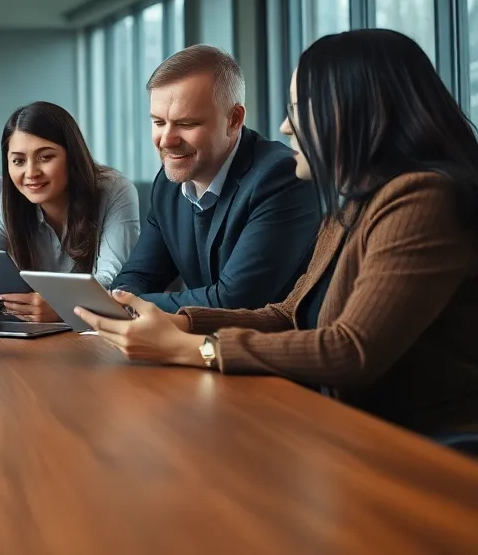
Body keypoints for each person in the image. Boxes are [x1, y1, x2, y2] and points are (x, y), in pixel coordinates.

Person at [78, 29, 478, 436]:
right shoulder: (356, 203)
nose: (286, 126)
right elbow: (290, 314)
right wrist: (182, 324)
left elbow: (350, 350)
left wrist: (196, 349)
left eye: (300, 108)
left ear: (357, 111)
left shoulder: (424, 198)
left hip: (428, 446)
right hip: (353, 428)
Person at [109, 45, 320, 312]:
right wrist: (124, 298)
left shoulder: (282, 177)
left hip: (267, 348)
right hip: (196, 345)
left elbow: (233, 301)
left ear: (234, 119)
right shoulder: (168, 182)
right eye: (159, 122)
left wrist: (129, 305)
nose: (167, 140)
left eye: (186, 124)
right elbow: (138, 276)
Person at [0, 102, 139, 322]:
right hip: (35, 336)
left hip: (99, 336)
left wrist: (61, 305)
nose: (31, 172)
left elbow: (116, 281)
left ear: (72, 156)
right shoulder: (10, 201)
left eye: (45, 157)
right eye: (18, 161)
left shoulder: (114, 189)